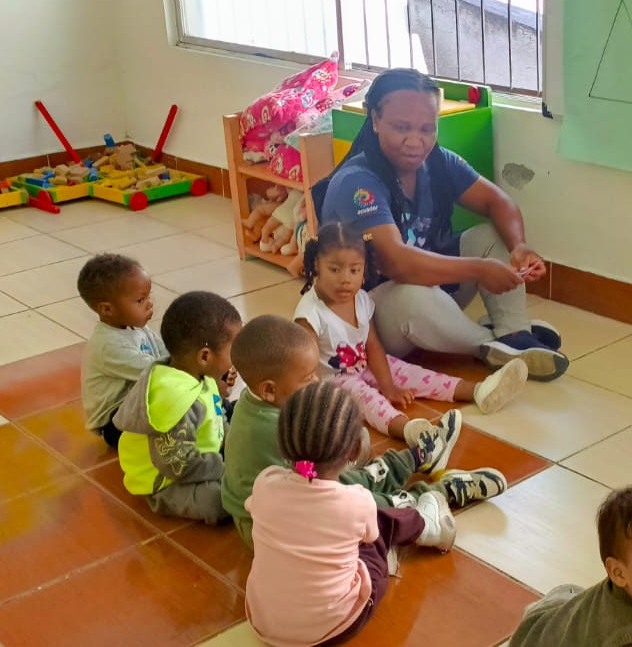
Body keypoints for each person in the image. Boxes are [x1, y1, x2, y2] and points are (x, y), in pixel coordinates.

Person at [315, 68, 568, 382]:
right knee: (411, 296)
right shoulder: (358, 182)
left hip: (431, 293)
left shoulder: (438, 162)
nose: (415, 141)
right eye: (401, 127)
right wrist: (479, 269)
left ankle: (514, 332)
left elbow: (498, 202)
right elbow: (397, 263)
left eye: (427, 129)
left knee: (492, 235)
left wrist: (519, 247)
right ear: (375, 120)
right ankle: (489, 344)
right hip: (374, 317)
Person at [221, 315, 509, 546]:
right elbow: (313, 480)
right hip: (272, 527)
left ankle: (417, 458)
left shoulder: (259, 403)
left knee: (342, 472)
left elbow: (308, 473)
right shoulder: (271, 429)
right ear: (269, 390)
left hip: (291, 492)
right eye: (308, 378)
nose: (317, 382)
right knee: (356, 502)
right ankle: (439, 492)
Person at [245, 381, 455, 646]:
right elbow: (371, 536)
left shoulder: (265, 483)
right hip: (335, 626)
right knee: (382, 527)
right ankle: (427, 524)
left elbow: (263, 507)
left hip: (263, 622)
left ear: (282, 443)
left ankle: (409, 489)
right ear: (355, 451)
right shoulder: (356, 501)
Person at [295, 221, 529, 443]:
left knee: (413, 373)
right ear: (316, 264)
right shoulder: (310, 314)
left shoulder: (361, 299)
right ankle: (410, 430)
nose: (345, 279)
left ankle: (480, 391)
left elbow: (373, 345)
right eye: (334, 269)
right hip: (333, 381)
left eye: (354, 270)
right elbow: (304, 367)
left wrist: (387, 384)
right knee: (368, 400)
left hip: (364, 364)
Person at [112, 291, 242, 525]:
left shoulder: (201, 374)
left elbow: (217, 414)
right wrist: (225, 468)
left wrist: (233, 446)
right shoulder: (174, 399)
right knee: (217, 501)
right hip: (167, 481)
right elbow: (178, 465)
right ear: (205, 357)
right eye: (234, 350)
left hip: (202, 458)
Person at [512, 485, 632, 647]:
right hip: (537, 638)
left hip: (565, 619)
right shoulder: (631, 639)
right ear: (618, 573)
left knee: (570, 601)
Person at [77, 254, 167, 448]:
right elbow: (158, 371)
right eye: (140, 300)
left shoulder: (136, 327)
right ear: (107, 309)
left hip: (138, 403)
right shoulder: (108, 345)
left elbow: (166, 355)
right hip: (116, 423)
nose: (150, 303)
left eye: (148, 296)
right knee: (179, 403)